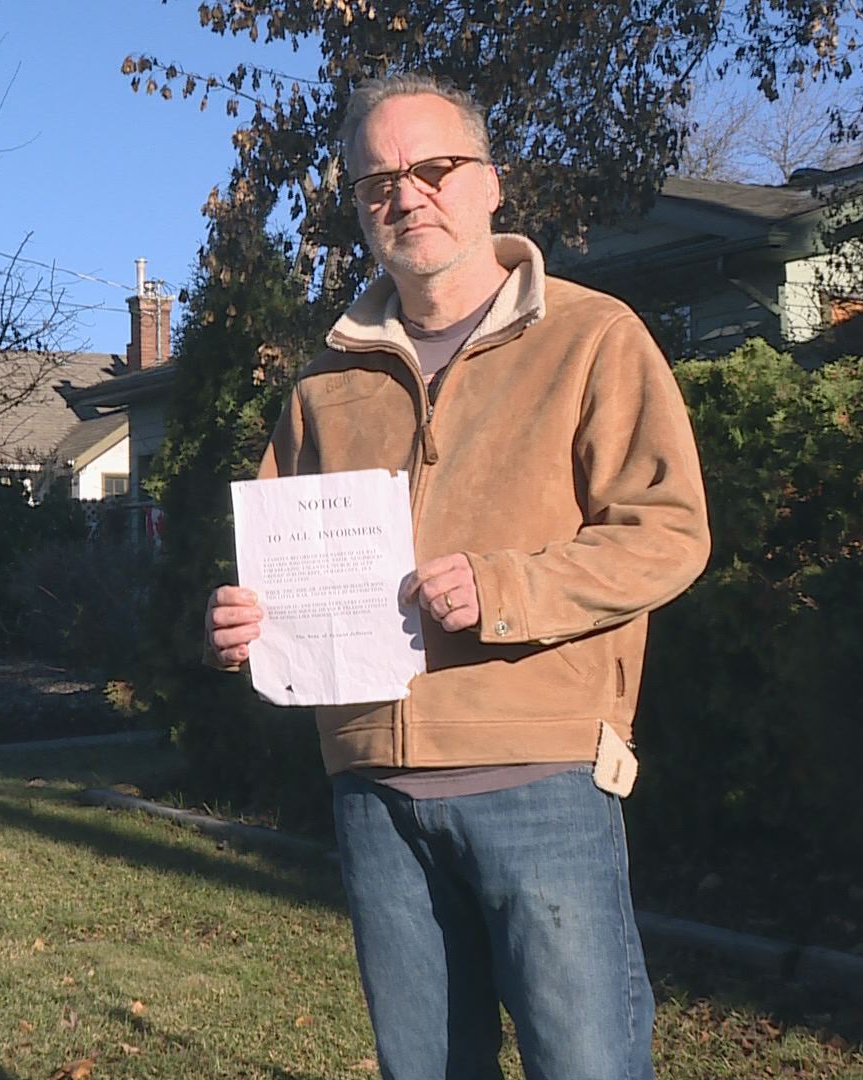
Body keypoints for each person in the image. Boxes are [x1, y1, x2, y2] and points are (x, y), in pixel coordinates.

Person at [203, 74, 711, 1080]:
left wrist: (504, 591)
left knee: (588, 1067)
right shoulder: (324, 385)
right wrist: (246, 624)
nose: (407, 195)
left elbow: (667, 533)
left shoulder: (593, 338)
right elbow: (278, 558)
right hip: (374, 793)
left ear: (491, 184)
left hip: (543, 777)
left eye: (434, 168)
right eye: (378, 181)